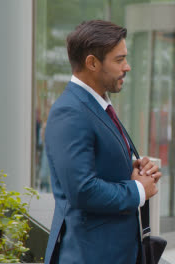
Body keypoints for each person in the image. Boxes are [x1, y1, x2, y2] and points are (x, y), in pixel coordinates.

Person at [43, 20, 161, 264]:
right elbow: (82, 190)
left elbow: (102, 168)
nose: (127, 67)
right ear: (92, 63)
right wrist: (139, 190)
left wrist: (136, 169)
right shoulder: (71, 112)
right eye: (119, 60)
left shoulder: (97, 105)